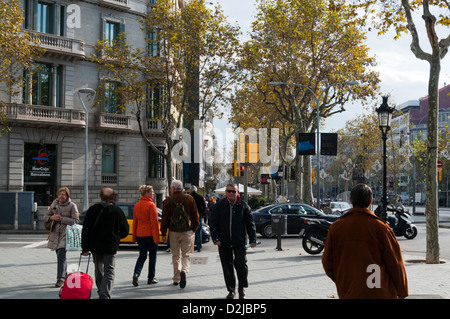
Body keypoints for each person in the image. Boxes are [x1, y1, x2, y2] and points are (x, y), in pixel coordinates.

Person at [322, 184, 409, 299]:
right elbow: (395, 264)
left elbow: (328, 263)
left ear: (350, 200)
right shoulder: (381, 228)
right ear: (370, 201)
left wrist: (343, 280)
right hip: (379, 292)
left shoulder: (336, 227)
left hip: (349, 292)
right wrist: (402, 291)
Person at [210, 183, 257, 299]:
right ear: (225, 192)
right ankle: (231, 290)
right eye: (229, 191)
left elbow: (250, 224)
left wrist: (253, 239)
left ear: (237, 193)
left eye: (233, 191)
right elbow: (213, 223)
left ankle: (241, 288)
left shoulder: (244, 206)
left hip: (239, 241)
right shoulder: (219, 205)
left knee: (240, 263)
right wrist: (215, 238)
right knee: (227, 266)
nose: (231, 193)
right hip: (223, 241)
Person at [81, 188, 129, 299]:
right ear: (113, 197)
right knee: (109, 270)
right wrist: (117, 238)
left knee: (98, 270)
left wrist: (85, 248)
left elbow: (86, 229)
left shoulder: (93, 209)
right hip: (110, 246)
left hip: (95, 246)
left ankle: (100, 291)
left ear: (101, 196)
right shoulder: (117, 211)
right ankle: (105, 293)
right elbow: (125, 230)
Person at [160, 180, 199, 289]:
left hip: (173, 232)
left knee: (175, 255)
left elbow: (164, 218)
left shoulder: (168, 200)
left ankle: (176, 278)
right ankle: (184, 271)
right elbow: (196, 215)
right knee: (186, 254)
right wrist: (194, 229)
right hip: (187, 231)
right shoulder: (189, 198)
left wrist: (163, 233)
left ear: (172, 189)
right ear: (182, 188)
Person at [44, 187, 79, 287]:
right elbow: (45, 216)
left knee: (61, 255)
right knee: (61, 257)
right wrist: (51, 217)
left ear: (67, 196)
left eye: (63, 194)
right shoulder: (54, 204)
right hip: (55, 233)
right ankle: (65, 276)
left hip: (66, 233)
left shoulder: (72, 206)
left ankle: (60, 279)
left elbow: (76, 221)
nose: (61, 196)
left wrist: (62, 219)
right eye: (59, 194)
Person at [132, 185, 160, 286]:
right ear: (147, 193)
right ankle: (151, 278)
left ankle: (136, 273)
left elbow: (135, 222)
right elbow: (154, 223)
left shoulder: (137, 205)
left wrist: (134, 236)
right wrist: (156, 238)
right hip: (150, 235)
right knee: (153, 257)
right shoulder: (151, 205)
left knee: (142, 256)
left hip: (140, 234)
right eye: (152, 192)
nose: (153, 193)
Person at [189, 185, 206, 252]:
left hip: (190, 217)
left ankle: (190, 247)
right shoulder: (200, 197)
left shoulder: (189, 197)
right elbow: (204, 207)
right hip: (198, 216)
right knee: (199, 232)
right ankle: (199, 247)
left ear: (190, 190)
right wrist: (201, 214)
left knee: (190, 233)